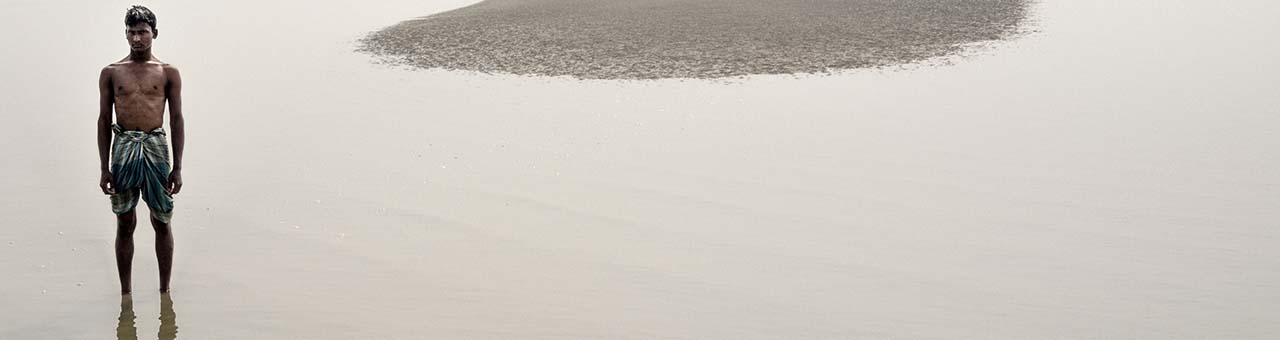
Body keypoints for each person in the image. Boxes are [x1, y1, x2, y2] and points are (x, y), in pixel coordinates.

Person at [98, 5, 184, 295]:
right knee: (125, 220)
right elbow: (103, 120)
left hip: (156, 147)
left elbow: (176, 119)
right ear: (126, 34)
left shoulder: (167, 72)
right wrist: (103, 168)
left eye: (143, 32)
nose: (137, 39)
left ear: (154, 34)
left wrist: (178, 168)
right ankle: (126, 293)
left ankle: (164, 292)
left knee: (161, 219)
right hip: (123, 148)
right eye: (132, 32)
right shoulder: (112, 73)